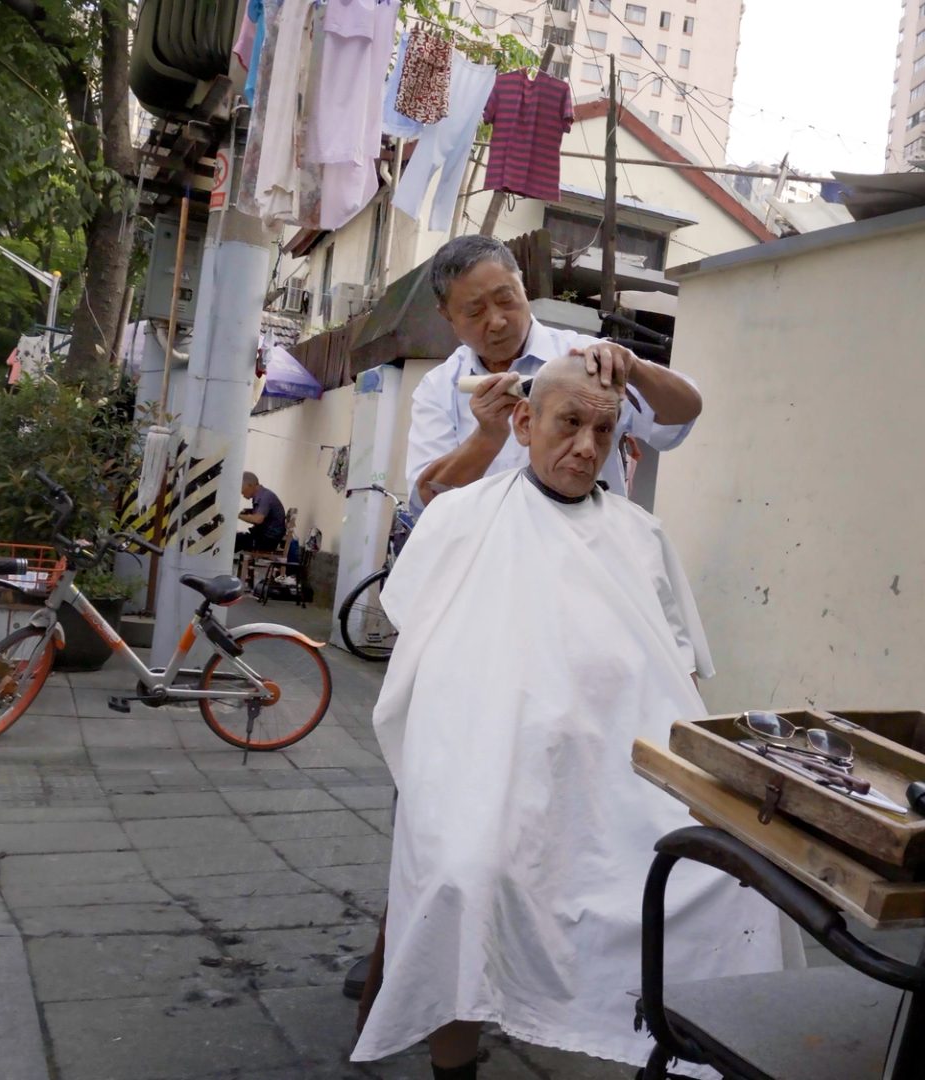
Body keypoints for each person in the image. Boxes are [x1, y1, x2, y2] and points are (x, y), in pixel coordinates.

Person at [351, 356, 789, 1077]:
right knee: (464, 875)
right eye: (569, 423)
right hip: (488, 765)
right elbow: (421, 646)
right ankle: (454, 1066)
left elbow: (675, 671)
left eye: (603, 430)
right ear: (524, 423)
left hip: (619, 774)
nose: (586, 447)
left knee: (736, 880)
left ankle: (685, 1049)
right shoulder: (463, 517)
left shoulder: (639, 535)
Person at [405, 234, 702, 513]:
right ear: (447, 315)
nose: (497, 322)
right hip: (489, 548)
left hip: (587, 544)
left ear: (522, 284)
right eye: (475, 312)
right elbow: (426, 502)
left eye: (506, 299)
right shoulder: (440, 387)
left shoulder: (587, 359)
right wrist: (486, 437)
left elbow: (683, 415)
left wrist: (636, 369)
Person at [237, 472, 286, 553]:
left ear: (250, 485)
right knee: (236, 537)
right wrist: (248, 511)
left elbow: (258, 519)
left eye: (241, 488)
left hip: (267, 541)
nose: (241, 492)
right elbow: (263, 513)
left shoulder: (264, 497)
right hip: (266, 538)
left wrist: (237, 515)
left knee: (233, 540)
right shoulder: (263, 494)